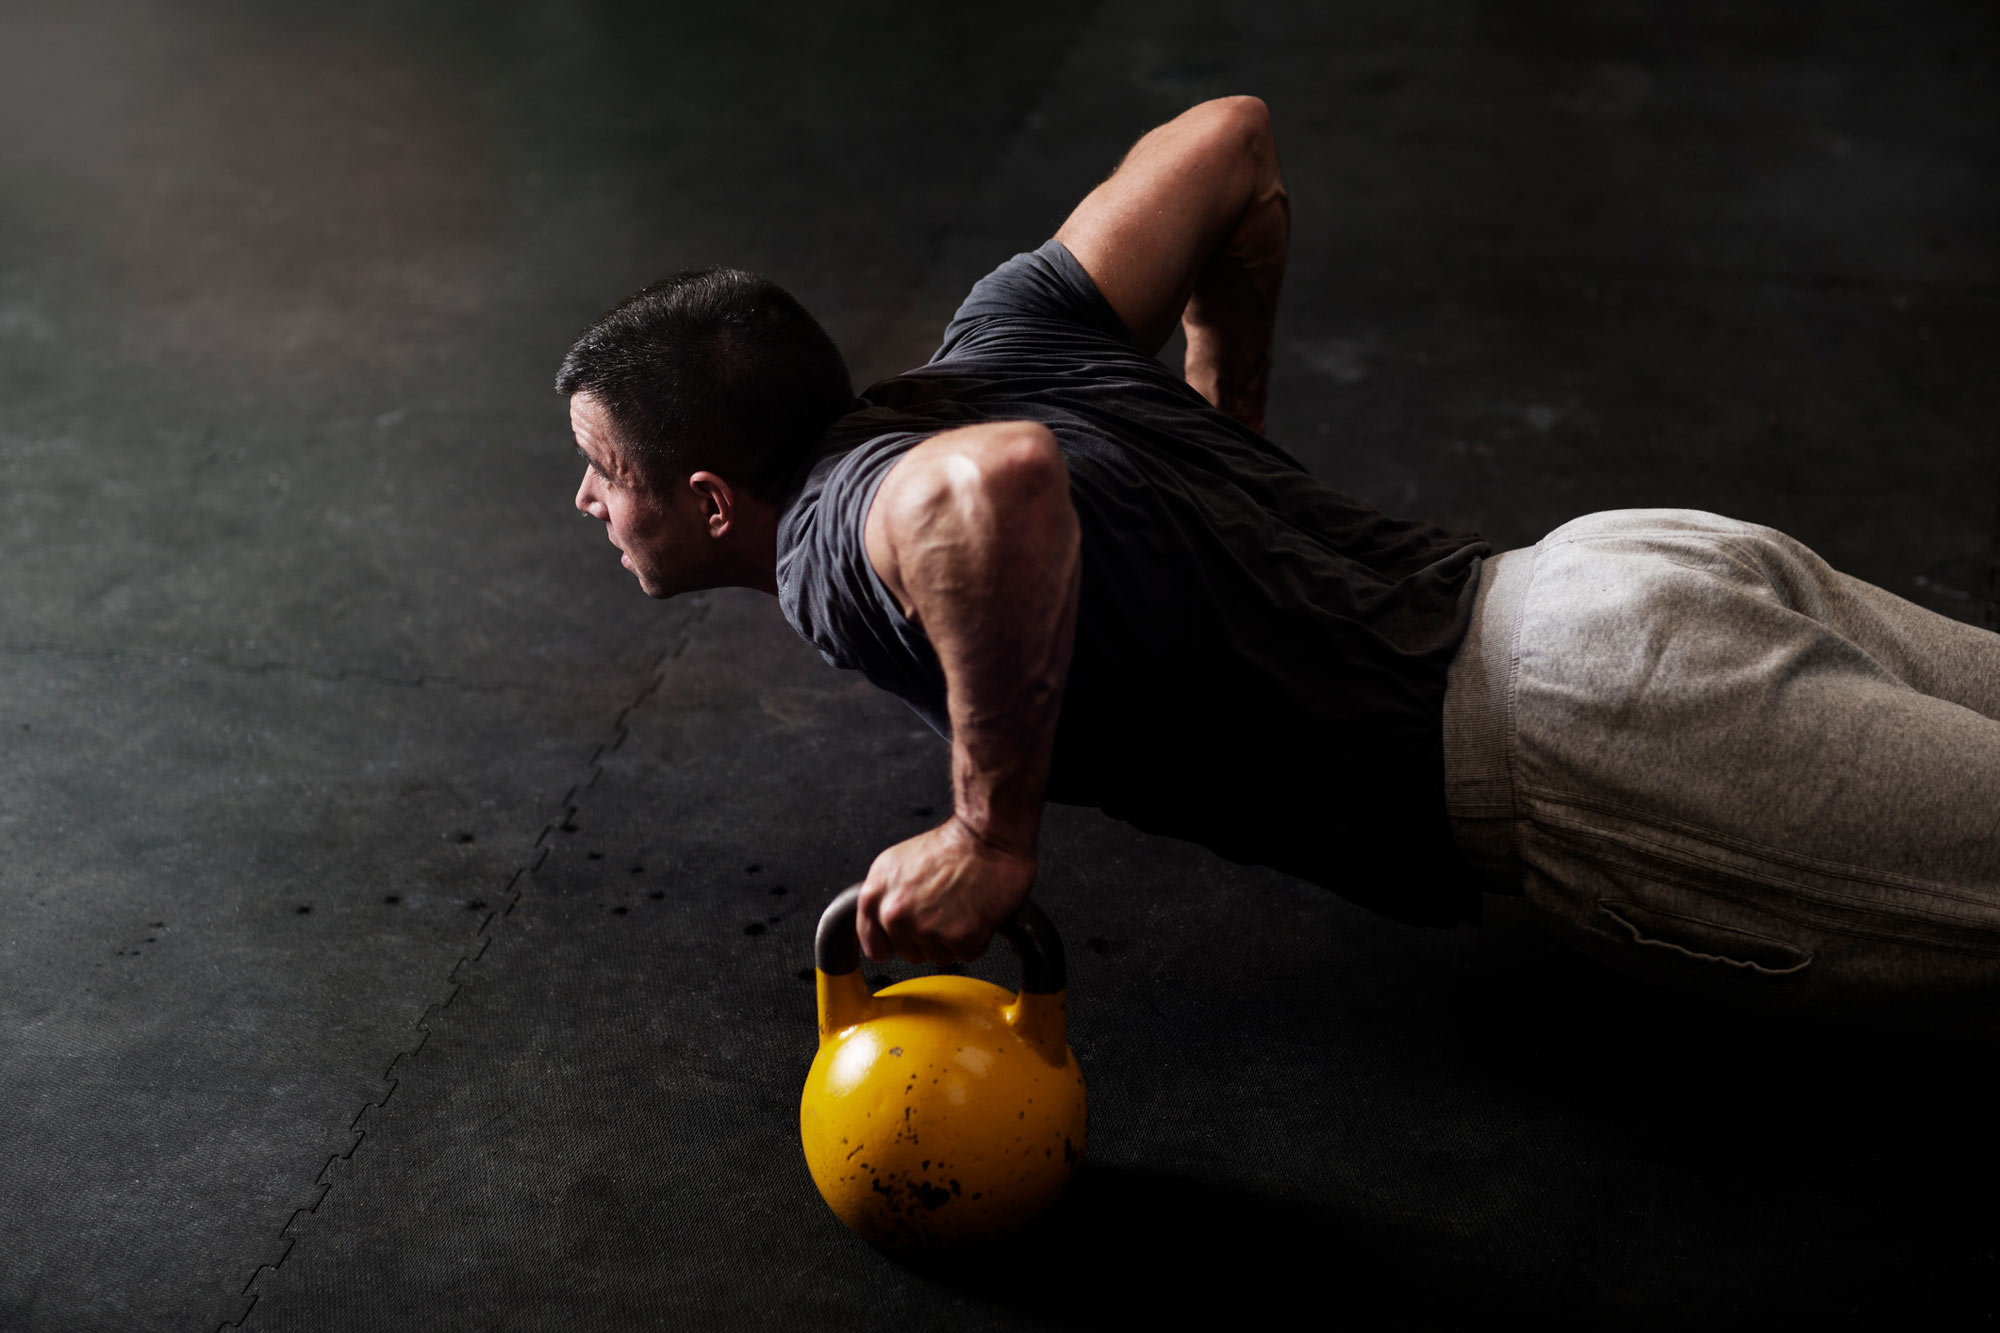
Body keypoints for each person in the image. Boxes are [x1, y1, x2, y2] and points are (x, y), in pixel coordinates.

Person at [557, 96, 2000, 1039]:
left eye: (605, 470)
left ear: (712, 499)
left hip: (1603, 729)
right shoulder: (1003, 333)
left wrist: (990, 834)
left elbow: (990, 489)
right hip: (1626, 570)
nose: (586, 499)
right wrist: (1224, 417)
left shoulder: (826, 542)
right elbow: (1231, 142)